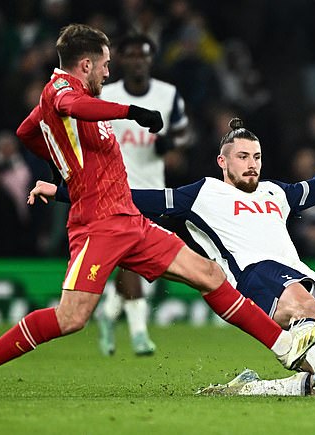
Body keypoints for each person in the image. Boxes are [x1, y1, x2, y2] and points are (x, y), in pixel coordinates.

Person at [0, 23, 315, 401]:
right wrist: (130, 111)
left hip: (130, 220)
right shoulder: (61, 90)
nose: (108, 71)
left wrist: (60, 161)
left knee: (210, 274)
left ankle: (284, 346)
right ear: (85, 64)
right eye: (104, 64)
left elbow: (26, 132)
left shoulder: (66, 105)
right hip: (97, 225)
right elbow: (68, 106)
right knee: (71, 318)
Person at [30, 108, 315, 395]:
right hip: (253, 279)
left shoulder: (276, 193)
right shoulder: (201, 193)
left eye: (257, 157)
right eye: (243, 157)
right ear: (222, 161)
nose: (252, 165)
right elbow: (130, 198)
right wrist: (61, 191)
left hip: (300, 279)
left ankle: (250, 388)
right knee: (309, 314)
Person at [96, 34, 191, 357]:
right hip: (115, 191)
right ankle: (139, 333)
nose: (138, 60)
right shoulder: (106, 96)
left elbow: (182, 131)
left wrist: (171, 144)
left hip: (154, 192)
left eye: (144, 55)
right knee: (132, 262)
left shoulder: (168, 94)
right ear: (120, 60)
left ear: (151, 60)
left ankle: (109, 313)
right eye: (131, 55)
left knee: (136, 263)